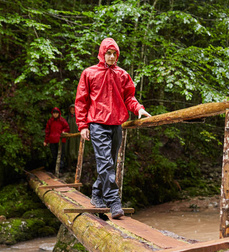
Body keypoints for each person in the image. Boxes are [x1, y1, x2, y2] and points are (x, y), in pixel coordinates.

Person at [75, 38, 151, 219]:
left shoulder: (122, 75)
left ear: (117, 55)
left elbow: (129, 98)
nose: (111, 57)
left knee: (110, 162)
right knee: (105, 162)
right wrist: (83, 125)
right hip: (97, 123)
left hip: (116, 124)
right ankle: (113, 201)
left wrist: (139, 108)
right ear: (102, 54)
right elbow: (81, 101)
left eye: (114, 54)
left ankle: (96, 193)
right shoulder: (89, 73)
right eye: (108, 53)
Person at [44, 107, 70, 172]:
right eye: (54, 113)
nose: (55, 114)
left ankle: (60, 169)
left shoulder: (62, 120)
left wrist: (64, 131)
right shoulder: (50, 121)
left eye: (56, 113)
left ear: (59, 114)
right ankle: (55, 169)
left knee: (61, 155)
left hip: (60, 140)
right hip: (52, 140)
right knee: (54, 155)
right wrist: (46, 141)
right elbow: (47, 131)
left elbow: (67, 128)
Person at [65, 104, 80, 170]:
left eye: (74, 110)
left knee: (77, 149)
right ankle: (69, 165)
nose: (72, 111)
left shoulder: (78, 117)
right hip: (69, 136)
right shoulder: (67, 117)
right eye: (71, 110)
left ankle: (76, 165)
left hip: (77, 137)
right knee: (69, 150)